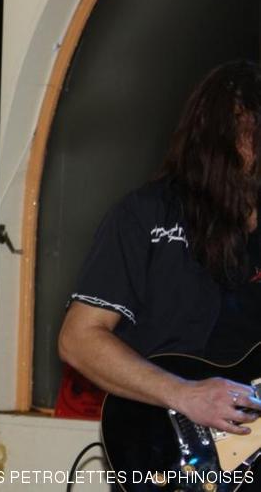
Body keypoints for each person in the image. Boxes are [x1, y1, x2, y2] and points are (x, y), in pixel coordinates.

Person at [58, 60, 261, 478]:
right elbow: (78, 338)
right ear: (229, 131)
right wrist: (184, 394)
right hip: (166, 452)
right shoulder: (147, 215)